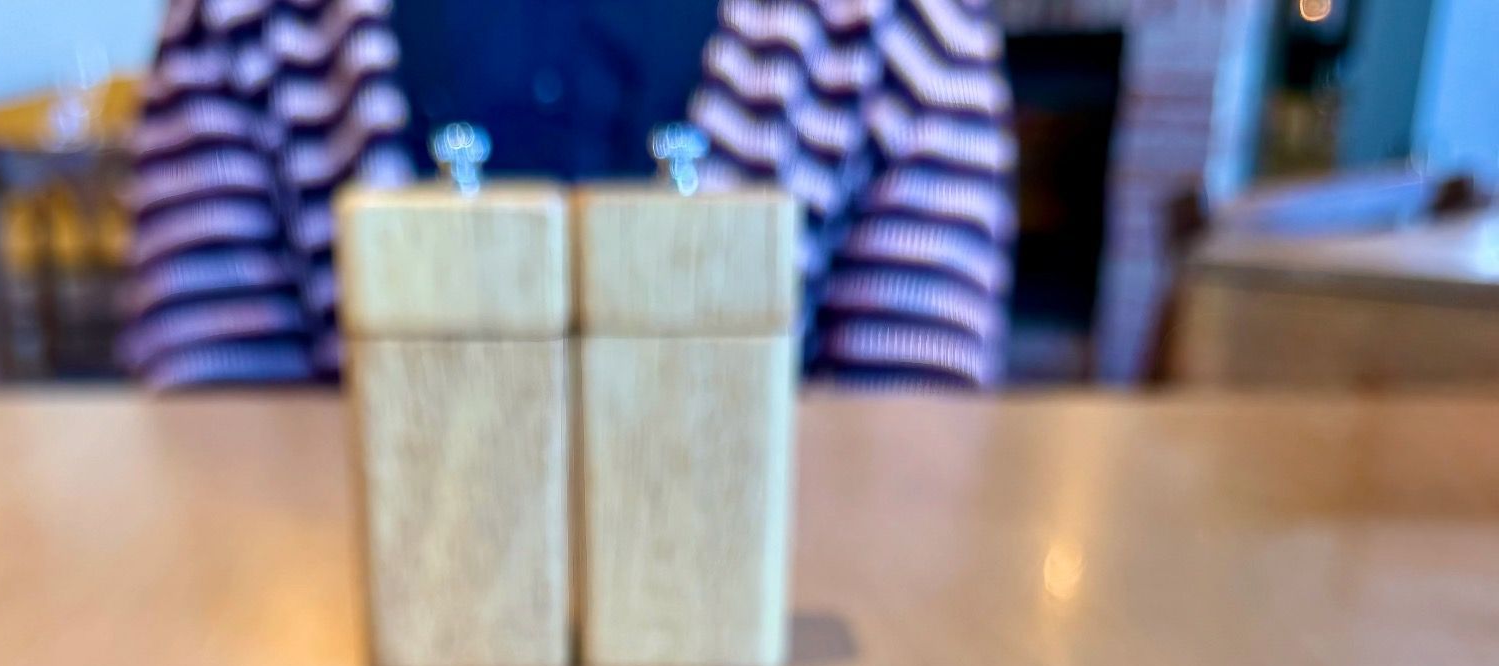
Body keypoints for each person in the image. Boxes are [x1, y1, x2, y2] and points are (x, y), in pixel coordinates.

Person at [122, 0, 1014, 390]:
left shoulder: (901, 22)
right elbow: (215, 428)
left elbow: (912, 437)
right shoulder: (243, 18)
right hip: (354, 641)